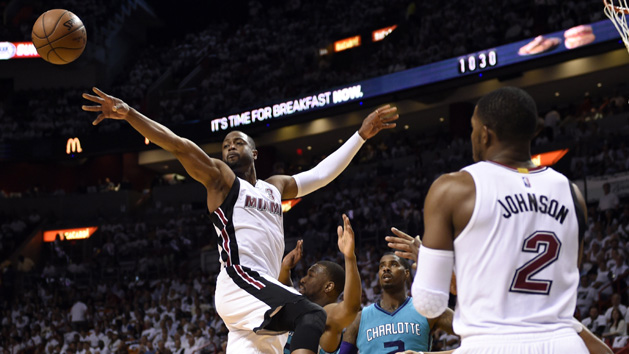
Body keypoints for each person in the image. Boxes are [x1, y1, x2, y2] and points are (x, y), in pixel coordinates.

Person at [82, 87, 398, 354]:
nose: (230, 146)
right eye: (225, 145)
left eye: (238, 142)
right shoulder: (221, 180)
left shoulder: (275, 187)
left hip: (263, 294)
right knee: (311, 315)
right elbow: (179, 145)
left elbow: (320, 175)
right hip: (241, 283)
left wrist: (360, 135)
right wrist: (129, 114)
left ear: (255, 153)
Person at [410, 86, 610, 353]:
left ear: (485, 134)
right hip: (564, 343)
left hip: (492, 344)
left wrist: (431, 263)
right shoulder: (572, 193)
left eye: (472, 128)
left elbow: (429, 304)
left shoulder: (453, 188)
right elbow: (565, 276)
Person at [338, 253, 455, 354]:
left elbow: (473, 338)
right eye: (382, 266)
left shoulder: (427, 309)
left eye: (393, 264)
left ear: (407, 273)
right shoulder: (359, 319)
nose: (386, 269)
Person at [280, 214, 362, 354]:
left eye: (310, 275)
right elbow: (285, 292)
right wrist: (285, 269)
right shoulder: (301, 309)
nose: (302, 279)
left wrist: (350, 257)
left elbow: (350, 308)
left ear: (328, 286)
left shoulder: (326, 317)